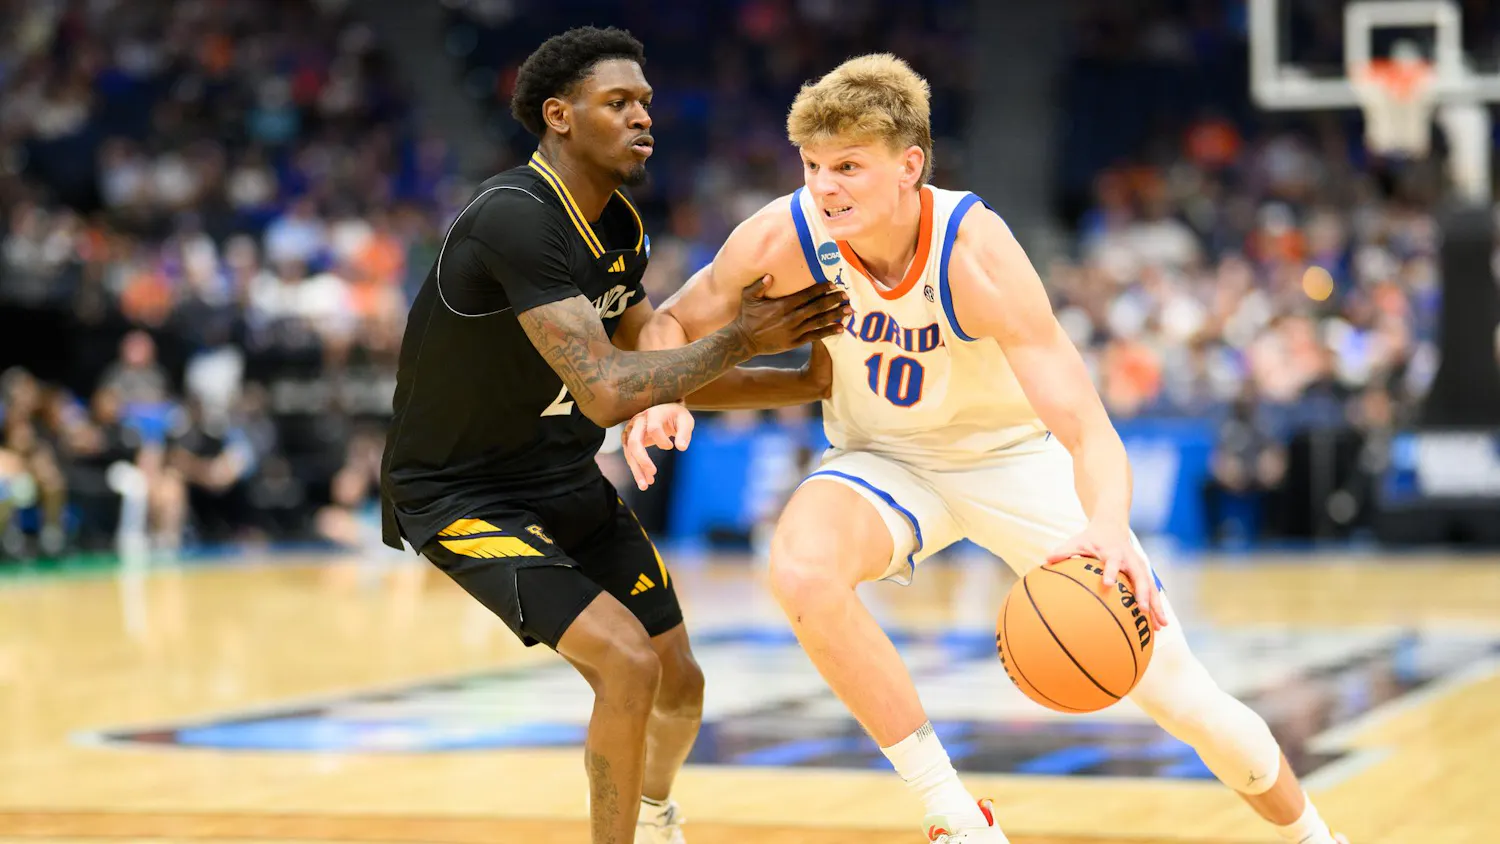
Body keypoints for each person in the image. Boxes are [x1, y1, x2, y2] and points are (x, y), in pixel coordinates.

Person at [623, 54, 1349, 844]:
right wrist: (661, 388)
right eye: (813, 166)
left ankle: (1314, 835)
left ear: (910, 166)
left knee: (1186, 699)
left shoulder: (976, 254)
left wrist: (1105, 524)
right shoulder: (785, 234)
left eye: (849, 167)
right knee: (800, 568)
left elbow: (1086, 426)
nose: (825, 186)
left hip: (1010, 458)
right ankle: (955, 814)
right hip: (884, 458)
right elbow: (668, 323)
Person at [377, 27, 848, 844]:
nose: (643, 119)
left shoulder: (621, 229)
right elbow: (606, 392)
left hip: (560, 479)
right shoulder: (513, 219)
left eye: (647, 104)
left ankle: (657, 816)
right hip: (459, 493)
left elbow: (654, 367)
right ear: (559, 116)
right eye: (619, 103)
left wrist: (808, 382)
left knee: (680, 685)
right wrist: (744, 336)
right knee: (625, 664)